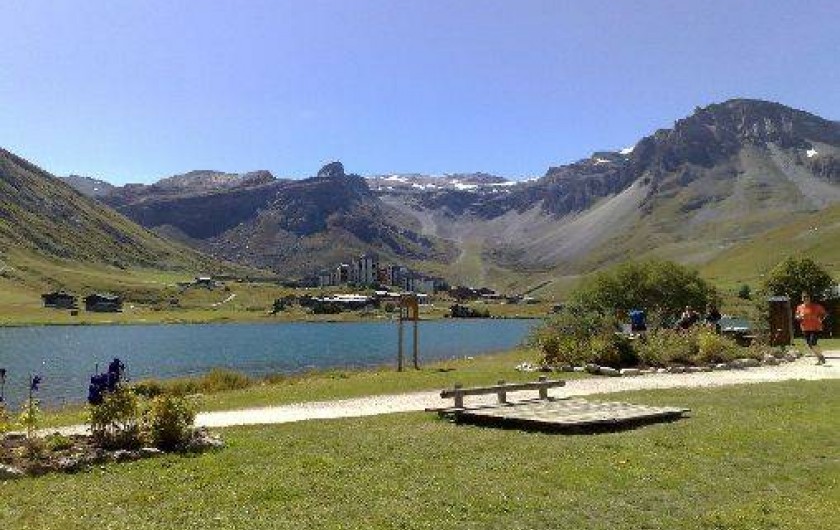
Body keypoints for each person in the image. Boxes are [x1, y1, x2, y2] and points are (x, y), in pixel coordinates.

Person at [795, 292, 828, 365]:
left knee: (813, 342)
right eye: (804, 297)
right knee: (810, 345)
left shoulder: (816, 306)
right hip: (805, 328)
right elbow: (796, 316)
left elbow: (824, 314)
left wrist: (821, 319)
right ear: (802, 299)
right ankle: (820, 357)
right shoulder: (799, 307)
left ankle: (820, 357)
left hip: (816, 327)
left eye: (807, 297)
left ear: (809, 298)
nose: (806, 299)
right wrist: (799, 317)